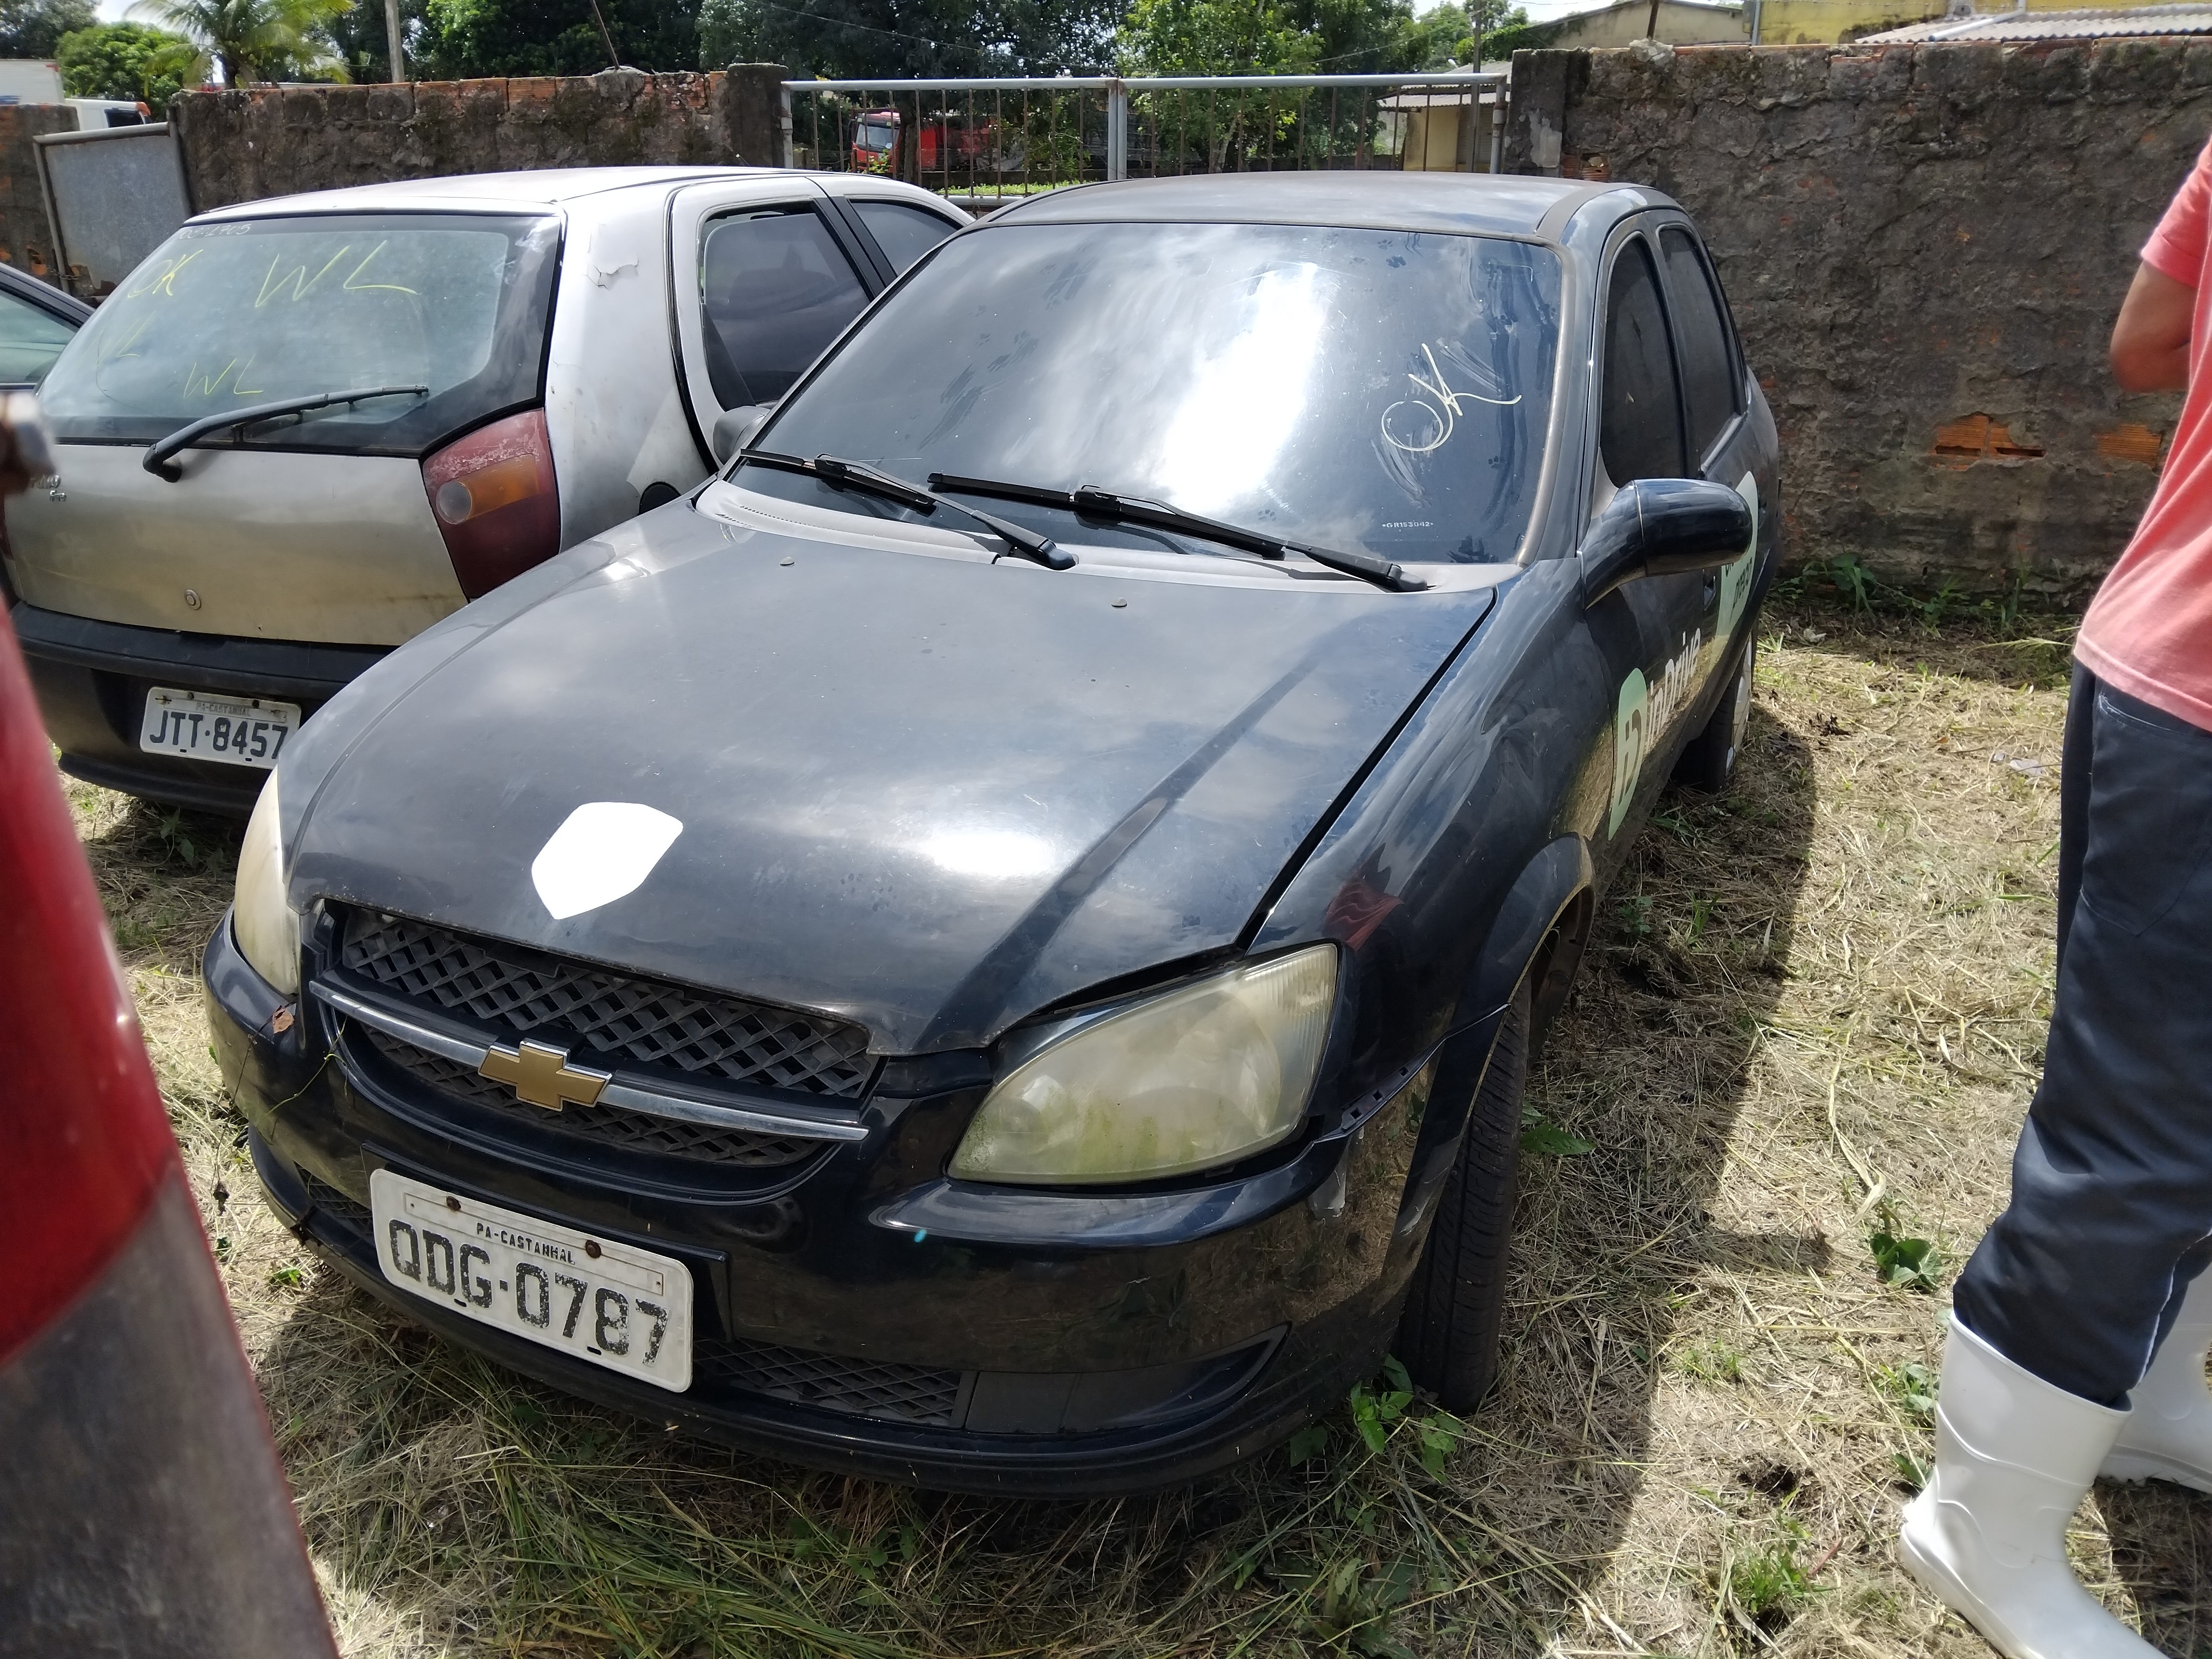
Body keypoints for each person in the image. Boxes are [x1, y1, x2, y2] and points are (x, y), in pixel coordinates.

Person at [1897, 134, 2212, 1659]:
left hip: (2163, 655)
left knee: (2172, 1124)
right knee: (2144, 1133)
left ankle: (2145, 1402)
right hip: (2198, 703)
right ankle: (1981, 1529)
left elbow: (2146, 342)